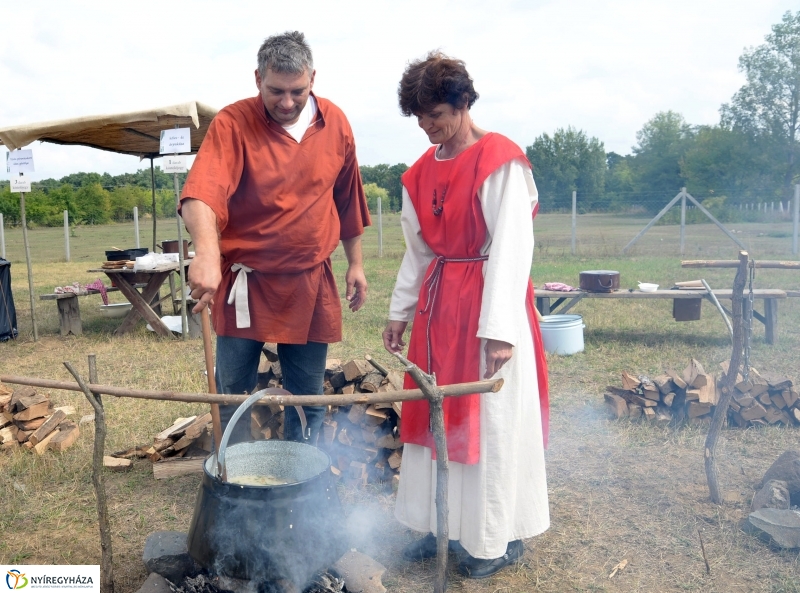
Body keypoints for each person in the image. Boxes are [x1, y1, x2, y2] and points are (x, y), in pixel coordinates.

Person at [382, 52, 550, 579]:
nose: (428, 126)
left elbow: (512, 248)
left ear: (463, 102)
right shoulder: (417, 175)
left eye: (435, 113)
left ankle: (490, 539)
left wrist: (499, 330)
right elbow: (419, 252)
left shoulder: (500, 159)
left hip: (486, 305)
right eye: (420, 118)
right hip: (437, 310)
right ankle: (438, 526)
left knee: (487, 419)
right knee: (433, 415)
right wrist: (399, 312)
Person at [180, 31, 371, 445]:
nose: (287, 103)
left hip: (309, 280)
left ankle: (307, 477)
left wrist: (355, 263)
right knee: (232, 391)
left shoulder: (335, 123)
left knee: (308, 394)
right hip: (245, 283)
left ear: (313, 79)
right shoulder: (233, 123)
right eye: (276, 91)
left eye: (298, 91)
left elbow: (348, 199)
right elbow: (202, 192)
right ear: (257, 79)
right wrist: (208, 255)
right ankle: (235, 476)